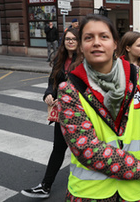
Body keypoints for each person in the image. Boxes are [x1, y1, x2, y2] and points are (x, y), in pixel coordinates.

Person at [57, 14, 140, 201]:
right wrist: (139, 169)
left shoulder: (139, 77)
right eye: (89, 38)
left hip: (137, 193)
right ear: (81, 46)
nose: (96, 42)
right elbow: (86, 149)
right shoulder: (69, 90)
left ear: (115, 44)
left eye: (104, 36)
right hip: (91, 194)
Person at [21, 28, 82, 198]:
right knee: (58, 148)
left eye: (73, 39)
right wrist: (48, 94)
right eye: (67, 39)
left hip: (81, 114)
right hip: (62, 113)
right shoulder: (60, 60)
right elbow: (52, 82)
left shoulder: (86, 61)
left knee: (83, 150)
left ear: (80, 41)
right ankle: (45, 186)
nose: (70, 42)